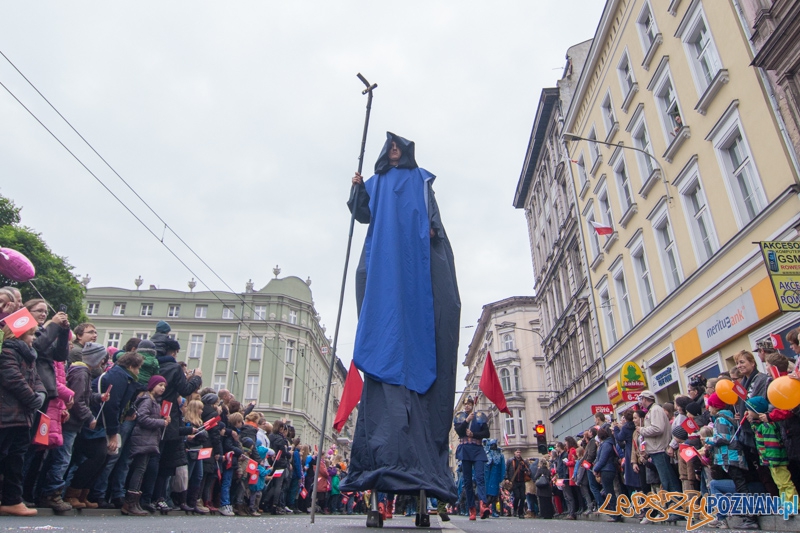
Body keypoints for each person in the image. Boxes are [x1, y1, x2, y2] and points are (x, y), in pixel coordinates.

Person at [341, 132, 460, 509]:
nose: (394, 152)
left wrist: (433, 230)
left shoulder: (421, 179)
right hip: (384, 262)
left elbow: (433, 215)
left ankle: (422, 468)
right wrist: (358, 189)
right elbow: (362, 214)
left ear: (405, 152)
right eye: (390, 148)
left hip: (415, 263)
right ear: (384, 153)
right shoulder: (376, 183)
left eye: (399, 147)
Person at [0, 321, 44, 516]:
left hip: (22, 415)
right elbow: (12, 378)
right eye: (30, 334)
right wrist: (33, 398)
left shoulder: (30, 356)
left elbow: (37, 380)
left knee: (16, 460)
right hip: (6, 414)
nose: (33, 338)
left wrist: (40, 394)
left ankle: (12, 500)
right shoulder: (7, 352)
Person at [123, 375, 170, 516]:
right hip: (143, 439)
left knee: (141, 469)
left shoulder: (153, 401)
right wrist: (161, 423)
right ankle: (130, 503)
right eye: (160, 385)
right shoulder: (147, 400)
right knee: (140, 469)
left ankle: (134, 501)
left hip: (148, 440)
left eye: (164, 386)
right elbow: (142, 418)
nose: (162, 388)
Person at [453, 398, 490, 519]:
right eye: (465, 404)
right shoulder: (460, 417)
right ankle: (471, 508)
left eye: (469, 404)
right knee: (467, 481)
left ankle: (483, 504)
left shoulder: (479, 416)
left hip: (477, 449)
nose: (467, 406)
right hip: (465, 450)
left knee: (480, 478)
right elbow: (458, 431)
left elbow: (486, 433)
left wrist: (474, 435)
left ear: (473, 405)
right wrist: (466, 421)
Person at [637, 390, 680, 493]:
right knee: (666, 479)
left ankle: (676, 503)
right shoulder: (652, 410)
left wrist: (642, 430)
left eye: (641, 399)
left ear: (646, 399)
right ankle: (673, 502)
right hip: (656, 450)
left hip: (659, 450)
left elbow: (658, 429)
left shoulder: (655, 410)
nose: (640, 402)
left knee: (668, 479)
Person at [592, 428, 622, 522]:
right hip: (608, 469)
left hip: (607, 470)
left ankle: (616, 514)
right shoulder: (607, 443)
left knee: (610, 492)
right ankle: (615, 512)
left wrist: (596, 468)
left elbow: (602, 459)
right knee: (610, 492)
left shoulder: (606, 445)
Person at [506, 448, 529, 519]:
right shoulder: (510, 461)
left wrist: (525, 470)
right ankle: (515, 509)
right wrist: (506, 478)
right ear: (514, 453)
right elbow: (506, 470)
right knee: (517, 496)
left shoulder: (523, 462)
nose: (518, 453)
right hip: (514, 481)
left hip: (521, 481)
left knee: (522, 497)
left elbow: (527, 469)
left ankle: (520, 513)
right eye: (517, 452)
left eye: (519, 452)